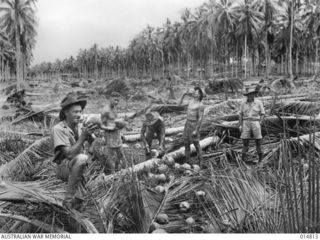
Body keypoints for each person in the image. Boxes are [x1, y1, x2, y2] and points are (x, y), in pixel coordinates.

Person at [51, 92, 96, 209]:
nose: (79, 115)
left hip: (78, 165)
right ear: (66, 112)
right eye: (75, 112)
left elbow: (92, 146)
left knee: (81, 201)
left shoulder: (80, 126)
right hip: (64, 167)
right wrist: (82, 138)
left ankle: (78, 204)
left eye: (80, 111)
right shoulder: (58, 129)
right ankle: (68, 200)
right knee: (82, 158)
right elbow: (69, 154)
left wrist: (91, 138)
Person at [99, 92, 127, 174]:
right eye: (115, 100)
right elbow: (100, 125)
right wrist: (110, 128)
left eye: (118, 100)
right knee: (112, 157)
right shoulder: (105, 111)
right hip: (110, 135)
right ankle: (113, 173)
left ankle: (118, 169)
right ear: (110, 99)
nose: (116, 102)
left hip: (117, 134)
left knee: (120, 154)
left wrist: (120, 128)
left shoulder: (114, 108)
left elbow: (115, 121)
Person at [239, 86, 265, 163]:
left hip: (255, 122)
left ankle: (260, 159)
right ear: (247, 95)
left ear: (254, 94)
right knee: (245, 140)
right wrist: (240, 125)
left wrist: (260, 122)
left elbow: (263, 113)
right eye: (249, 94)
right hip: (245, 123)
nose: (251, 96)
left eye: (253, 94)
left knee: (258, 140)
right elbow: (240, 114)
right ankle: (243, 159)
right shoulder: (243, 103)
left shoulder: (259, 102)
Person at [179, 86, 204, 165]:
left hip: (194, 124)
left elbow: (200, 118)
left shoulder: (200, 105)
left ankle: (201, 161)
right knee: (186, 143)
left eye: (197, 92)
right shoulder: (191, 101)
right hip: (187, 124)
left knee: (196, 144)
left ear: (200, 95)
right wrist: (183, 95)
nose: (195, 94)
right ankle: (187, 161)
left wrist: (196, 130)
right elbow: (179, 104)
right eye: (194, 92)